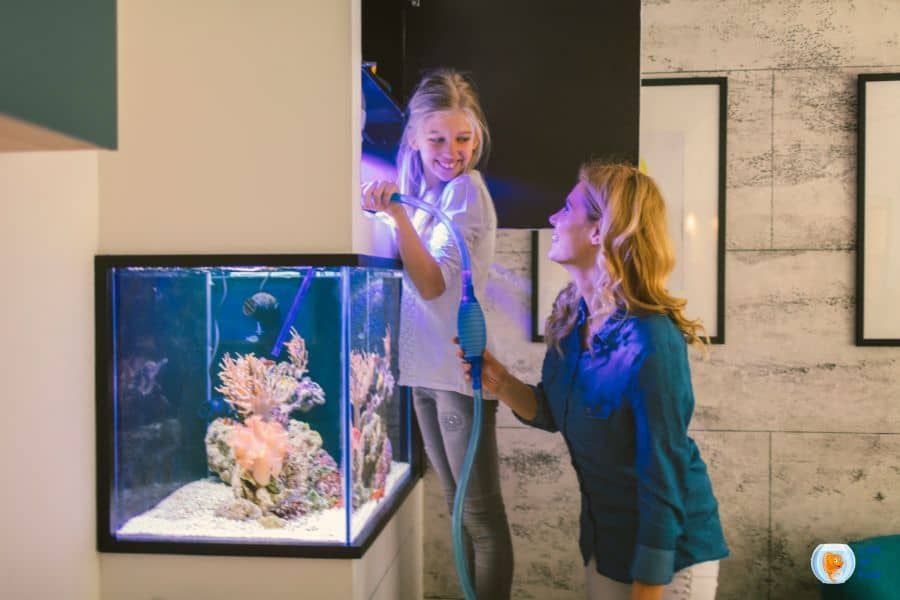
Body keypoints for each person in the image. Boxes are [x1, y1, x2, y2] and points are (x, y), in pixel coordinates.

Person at [459, 162, 729, 600]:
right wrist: (501, 380)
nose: (553, 218)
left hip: (670, 557)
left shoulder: (652, 341)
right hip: (605, 544)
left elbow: (665, 472)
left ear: (600, 231)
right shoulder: (572, 317)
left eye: (567, 208)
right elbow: (551, 411)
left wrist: (648, 589)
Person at [360, 69, 513, 599]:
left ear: (478, 135)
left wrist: (397, 214)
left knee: (479, 516)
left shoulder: (465, 193)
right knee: (459, 509)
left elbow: (428, 283)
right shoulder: (436, 194)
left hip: (455, 374)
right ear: (415, 140)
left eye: (464, 138)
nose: (453, 152)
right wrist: (385, 210)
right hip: (425, 371)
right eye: (438, 139)